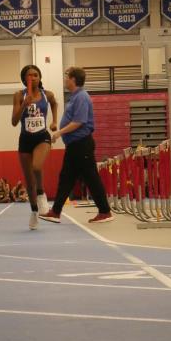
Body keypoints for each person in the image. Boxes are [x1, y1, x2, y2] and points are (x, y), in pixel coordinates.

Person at [41, 67, 114, 224]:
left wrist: (59, 133)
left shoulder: (81, 97)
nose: (65, 79)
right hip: (75, 145)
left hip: (81, 144)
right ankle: (56, 212)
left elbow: (79, 122)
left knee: (90, 178)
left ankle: (104, 211)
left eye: (66, 77)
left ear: (73, 79)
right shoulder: (74, 97)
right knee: (67, 178)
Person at [12, 64, 59, 230]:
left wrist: (54, 121)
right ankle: (34, 212)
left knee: (37, 166)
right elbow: (14, 122)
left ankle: (41, 194)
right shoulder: (19, 95)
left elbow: (54, 103)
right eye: (29, 75)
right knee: (29, 181)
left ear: (40, 78)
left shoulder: (48, 94)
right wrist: (24, 105)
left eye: (35, 75)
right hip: (25, 139)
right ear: (24, 79)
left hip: (42, 137)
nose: (32, 78)